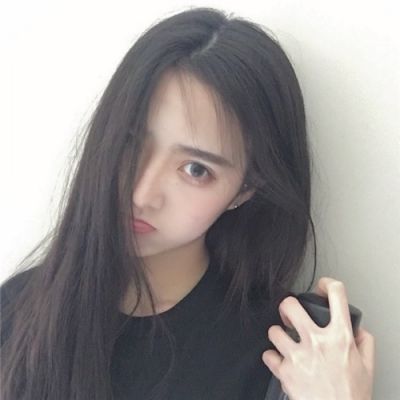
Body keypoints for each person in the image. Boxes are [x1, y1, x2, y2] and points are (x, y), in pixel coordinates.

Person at [0, 6, 375, 400]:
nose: (142, 194)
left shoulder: (289, 357)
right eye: (129, 144)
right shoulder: (18, 313)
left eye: (196, 169)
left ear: (246, 188)